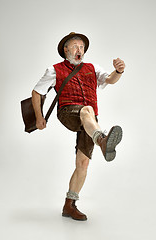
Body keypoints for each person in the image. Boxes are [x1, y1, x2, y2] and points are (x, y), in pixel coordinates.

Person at [31, 32, 125, 221]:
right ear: (66, 50)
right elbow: (36, 92)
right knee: (87, 110)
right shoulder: (54, 69)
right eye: (75, 46)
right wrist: (39, 117)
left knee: (83, 164)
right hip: (68, 112)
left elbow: (109, 80)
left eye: (81, 47)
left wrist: (119, 71)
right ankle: (102, 141)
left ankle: (69, 205)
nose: (79, 50)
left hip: (91, 120)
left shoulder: (92, 68)